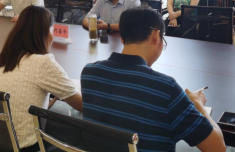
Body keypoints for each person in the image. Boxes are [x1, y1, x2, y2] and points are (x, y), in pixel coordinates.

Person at [81, 8, 226, 152]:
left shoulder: (89, 73)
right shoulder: (166, 89)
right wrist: (198, 105)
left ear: (122, 39)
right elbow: (217, 148)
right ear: (156, 36)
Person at [0, 6, 82, 152]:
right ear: (46, 33)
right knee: (75, 128)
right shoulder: (42, 62)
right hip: (25, 146)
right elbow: (81, 105)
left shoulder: (4, 59)